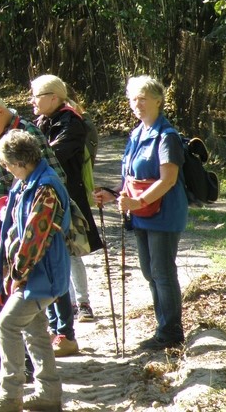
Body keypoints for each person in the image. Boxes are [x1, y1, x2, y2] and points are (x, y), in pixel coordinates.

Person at [0, 91, 66, 371]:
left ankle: (23, 363)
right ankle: (6, 352)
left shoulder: (28, 134)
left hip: (22, 228)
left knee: (19, 291)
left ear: (0, 111)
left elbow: (56, 177)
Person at [94, 75, 188, 350]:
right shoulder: (137, 133)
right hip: (141, 213)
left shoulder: (166, 135)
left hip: (164, 213)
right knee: (149, 271)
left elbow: (168, 179)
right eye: (133, 99)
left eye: (143, 98)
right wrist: (113, 195)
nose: (137, 104)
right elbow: (131, 178)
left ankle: (171, 332)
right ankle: (163, 327)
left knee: (161, 270)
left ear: (158, 100)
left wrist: (138, 201)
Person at [0, 130, 69, 412]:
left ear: (19, 162)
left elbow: (35, 238)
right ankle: (48, 393)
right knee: (35, 331)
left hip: (41, 276)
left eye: (6, 164)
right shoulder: (28, 181)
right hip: (34, 276)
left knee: (7, 324)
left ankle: (10, 395)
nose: (5, 169)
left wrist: (18, 275)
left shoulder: (46, 187)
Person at [31, 74, 104, 357]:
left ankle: (81, 303)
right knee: (54, 253)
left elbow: (53, 155)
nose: (31, 101)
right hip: (52, 196)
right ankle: (66, 310)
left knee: (69, 253)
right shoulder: (44, 121)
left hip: (68, 198)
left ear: (53, 97)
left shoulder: (73, 123)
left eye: (36, 96)